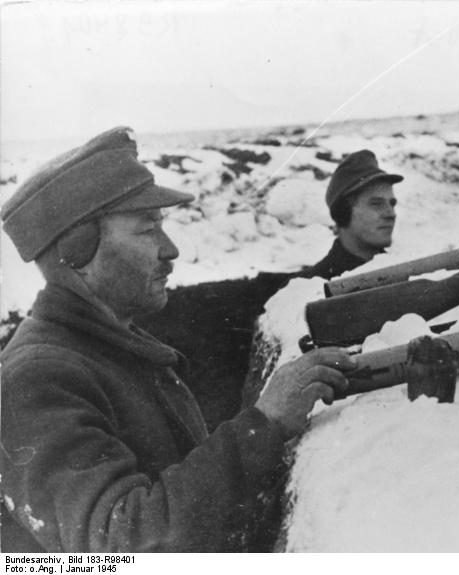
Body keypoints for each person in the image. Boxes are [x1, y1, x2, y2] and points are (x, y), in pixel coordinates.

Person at [0, 126, 356, 552]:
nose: (170, 250)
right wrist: (265, 425)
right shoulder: (39, 378)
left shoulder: (105, 347)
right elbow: (118, 546)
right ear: (78, 252)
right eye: (147, 229)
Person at [300, 149, 403, 280]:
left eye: (392, 204)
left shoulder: (403, 273)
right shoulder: (313, 287)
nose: (391, 214)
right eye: (377, 204)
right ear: (343, 212)